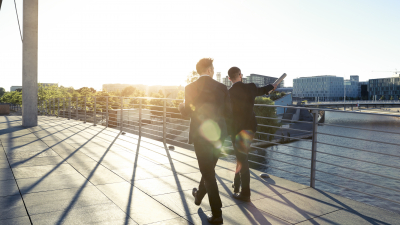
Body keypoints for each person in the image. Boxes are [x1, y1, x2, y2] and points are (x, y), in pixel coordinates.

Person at [179, 58, 232, 224]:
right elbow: (229, 112)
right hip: (218, 136)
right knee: (208, 170)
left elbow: (187, 112)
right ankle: (199, 195)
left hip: (200, 136)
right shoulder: (222, 87)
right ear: (209, 70)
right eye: (213, 68)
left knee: (208, 172)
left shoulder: (190, 88)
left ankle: (217, 215)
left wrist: (181, 105)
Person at [227, 66, 278, 201]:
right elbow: (262, 90)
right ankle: (237, 185)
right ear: (240, 75)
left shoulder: (228, 93)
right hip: (249, 128)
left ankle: (245, 193)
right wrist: (272, 86)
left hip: (235, 130)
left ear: (229, 78)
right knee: (242, 157)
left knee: (242, 159)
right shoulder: (250, 87)